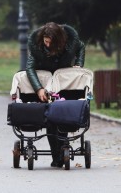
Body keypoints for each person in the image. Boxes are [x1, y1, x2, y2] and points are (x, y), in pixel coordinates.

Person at [25, 22, 85, 168]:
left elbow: (81, 46)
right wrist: (38, 88)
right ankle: (56, 156)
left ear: (60, 41)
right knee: (50, 120)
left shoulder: (70, 42)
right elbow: (30, 67)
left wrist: (79, 63)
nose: (48, 45)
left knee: (63, 117)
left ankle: (63, 149)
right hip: (46, 86)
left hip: (64, 83)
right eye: (46, 41)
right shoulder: (37, 46)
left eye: (51, 42)